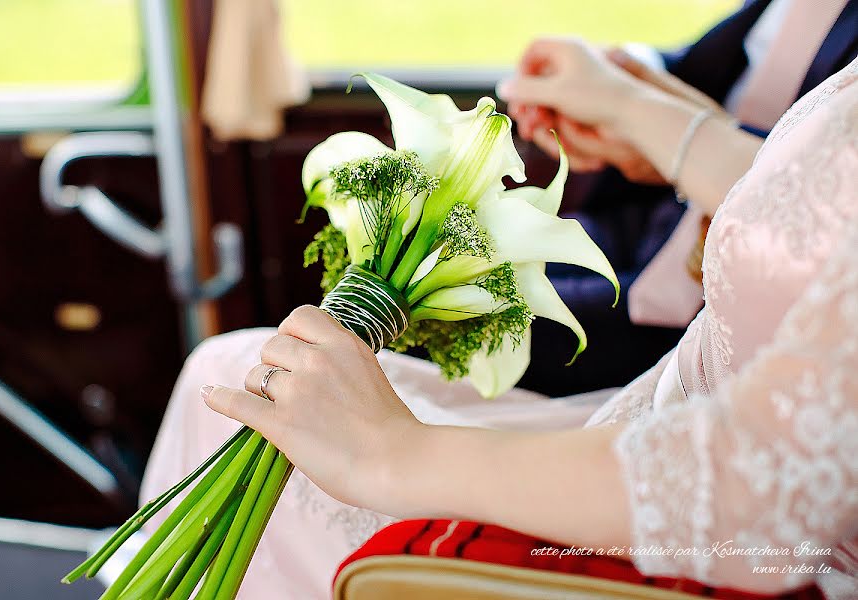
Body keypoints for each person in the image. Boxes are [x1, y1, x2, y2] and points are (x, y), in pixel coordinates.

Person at [141, 41, 858, 598]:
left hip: (705, 523)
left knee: (245, 394)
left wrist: (394, 452)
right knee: (237, 375)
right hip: (649, 411)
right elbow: (819, 221)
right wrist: (643, 114)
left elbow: (762, 485)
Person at [516, 0, 858, 398]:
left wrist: (636, 113)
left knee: (450, 313)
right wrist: (628, 69)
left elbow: (820, 203)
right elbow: (753, 70)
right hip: (651, 223)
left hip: (712, 315)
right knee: (449, 266)